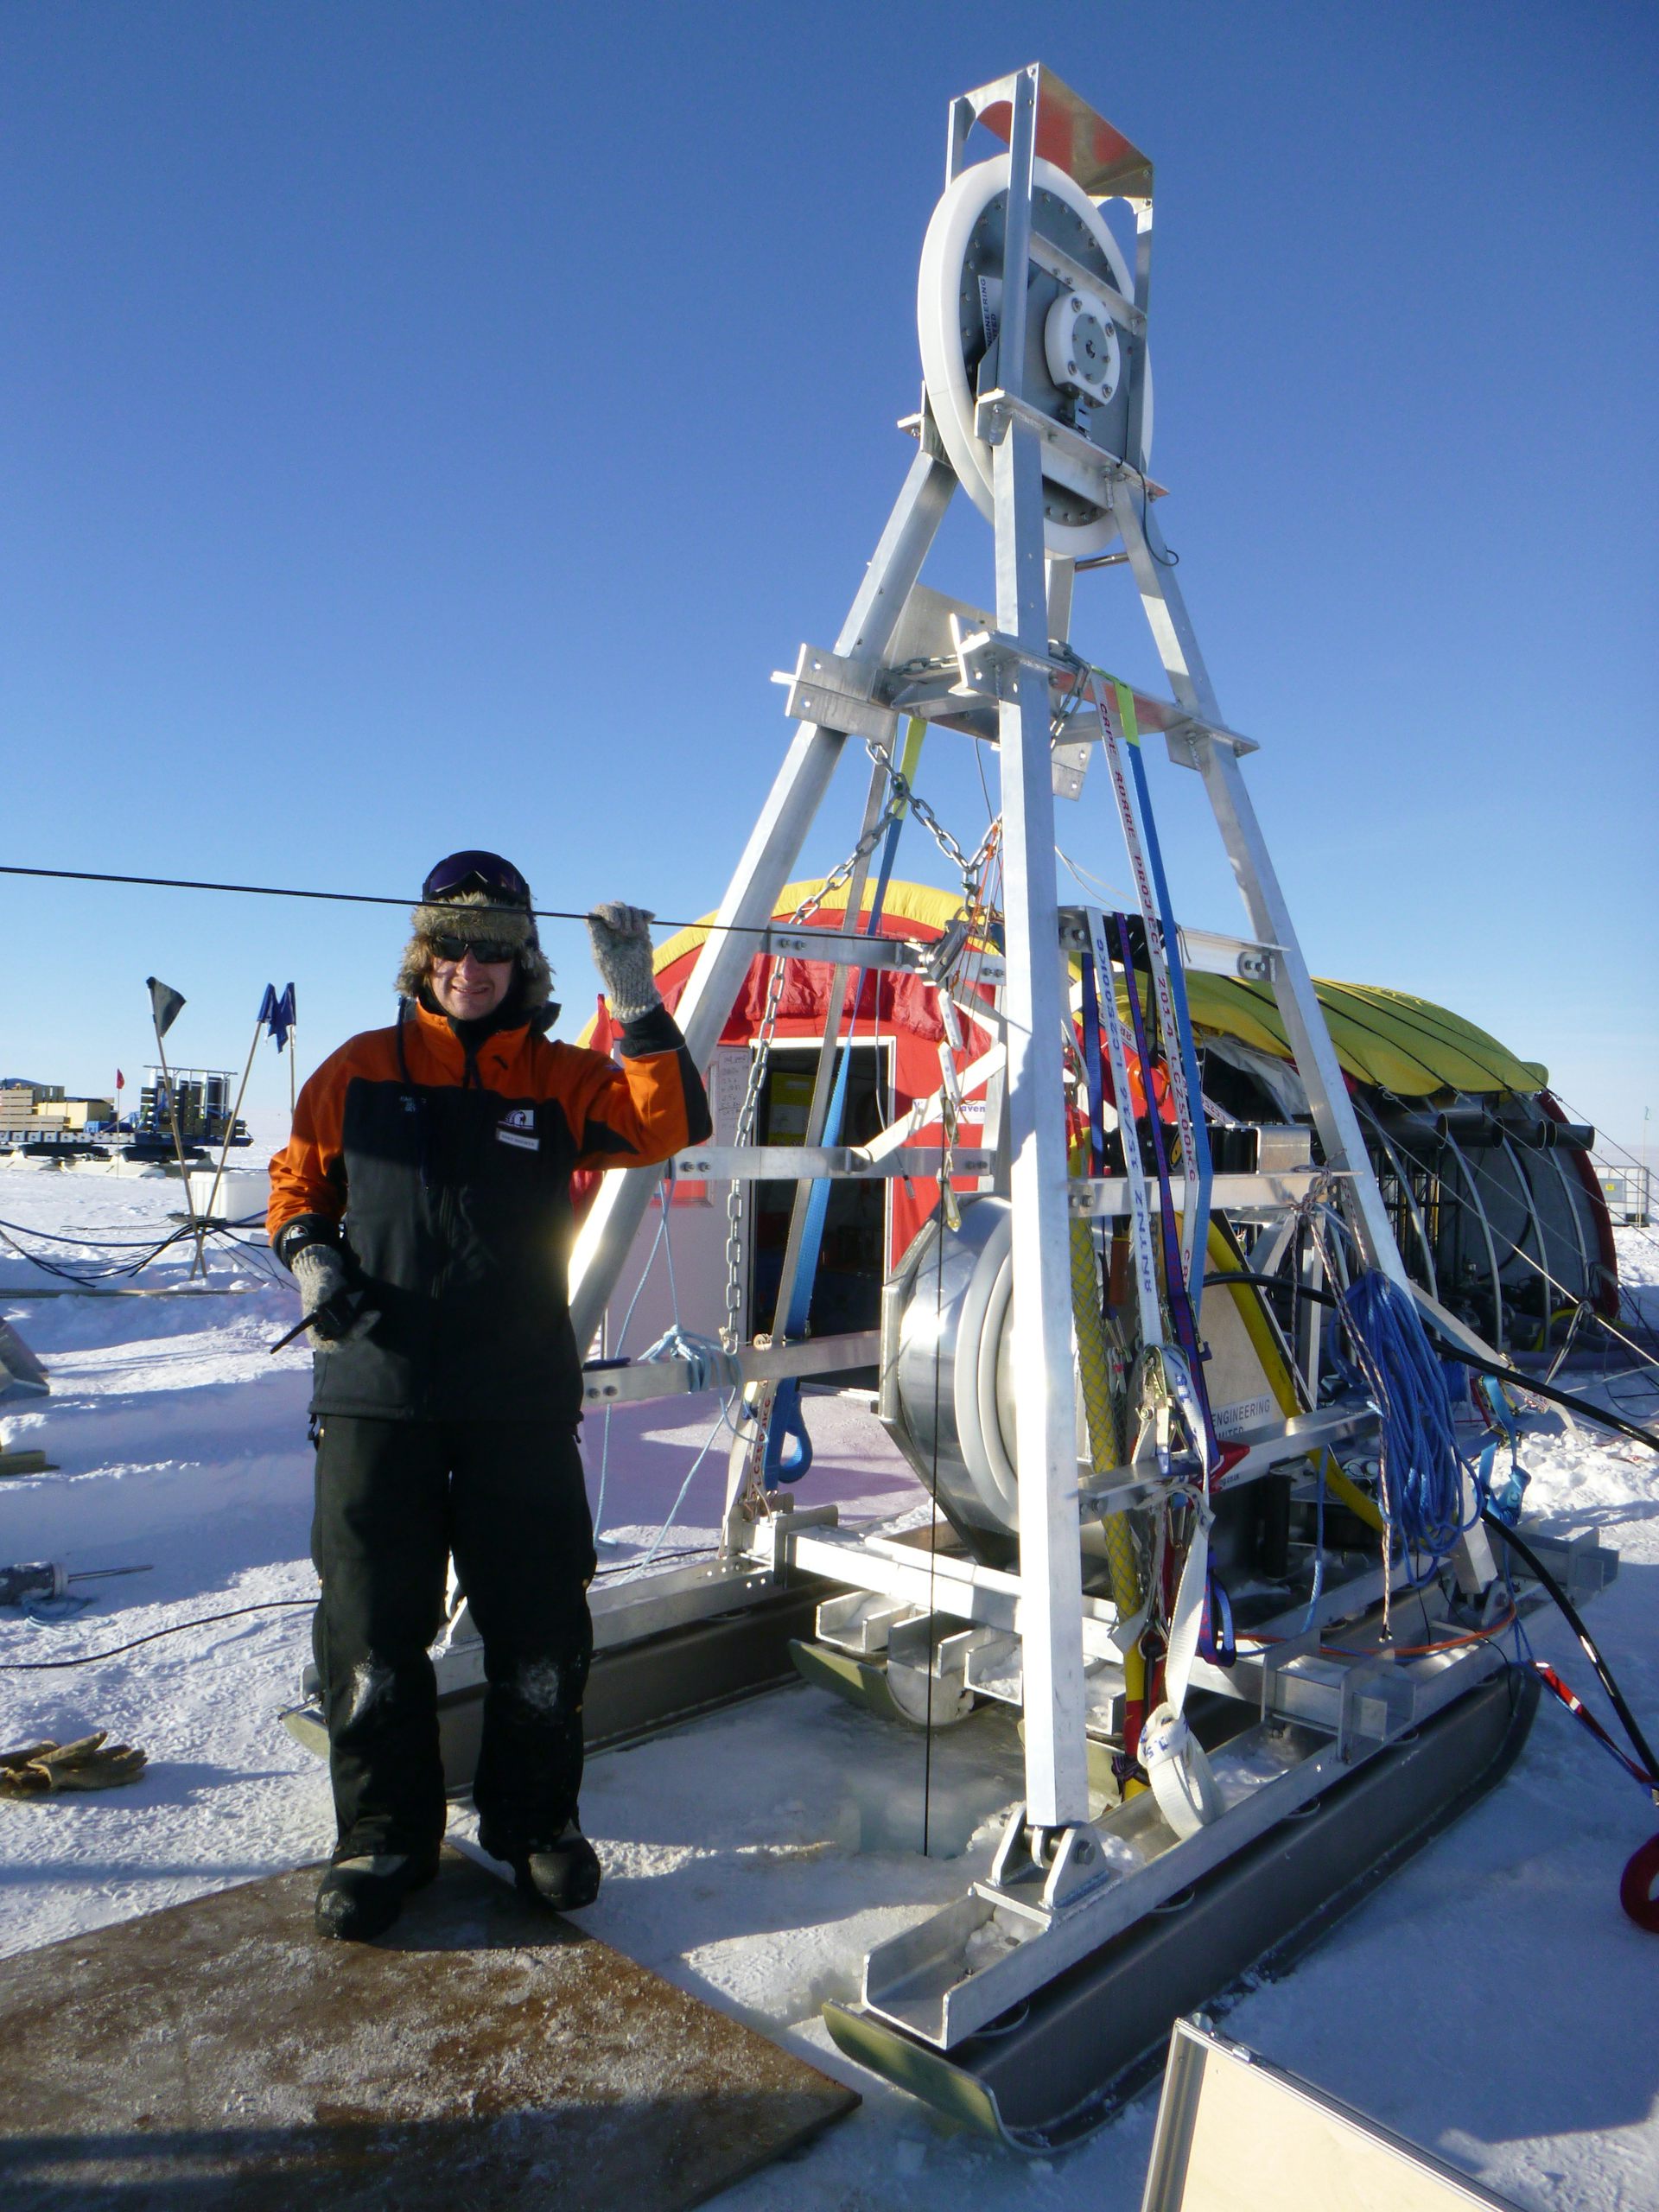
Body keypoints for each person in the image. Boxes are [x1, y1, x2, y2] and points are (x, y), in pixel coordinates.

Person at [267, 849, 709, 1941]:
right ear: (425, 953)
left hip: (516, 1392)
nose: (474, 967)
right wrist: (307, 1253)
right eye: (455, 945)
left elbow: (665, 1125)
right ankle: (383, 1838)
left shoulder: (560, 1079)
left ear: (524, 961)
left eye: (498, 949)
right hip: (379, 1389)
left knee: (540, 1619)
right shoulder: (356, 1070)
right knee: (372, 1626)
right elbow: (298, 1183)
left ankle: (533, 1825)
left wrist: (638, 1003)